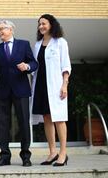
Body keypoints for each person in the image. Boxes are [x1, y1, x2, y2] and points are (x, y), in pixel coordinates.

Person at [0, 20, 38, 167]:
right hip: (3, 91)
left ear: (11, 30)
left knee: (23, 124)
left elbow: (34, 63)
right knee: (3, 124)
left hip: (21, 90)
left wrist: (27, 66)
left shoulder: (24, 44)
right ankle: (4, 156)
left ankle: (26, 156)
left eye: (2, 29)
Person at [31, 14, 71, 166]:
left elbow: (66, 65)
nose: (41, 26)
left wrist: (65, 84)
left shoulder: (60, 42)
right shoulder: (37, 45)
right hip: (40, 85)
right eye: (39, 24)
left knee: (59, 118)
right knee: (47, 118)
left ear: (51, 25)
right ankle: (53, 151)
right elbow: (35, 66)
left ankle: (63, 153)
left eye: (44, 23)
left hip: (55, 86)